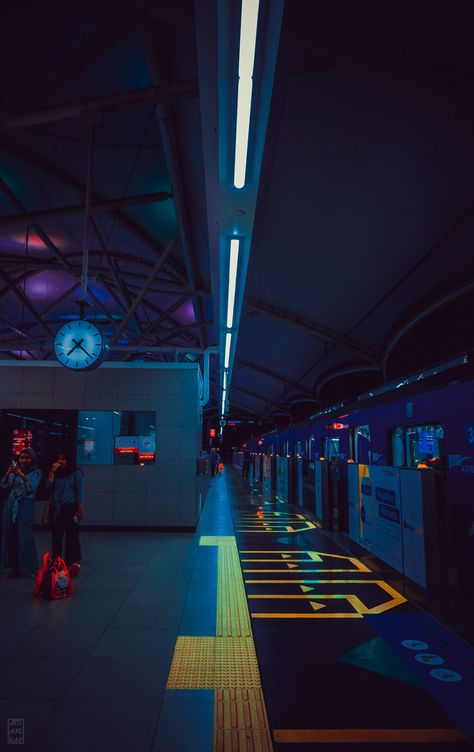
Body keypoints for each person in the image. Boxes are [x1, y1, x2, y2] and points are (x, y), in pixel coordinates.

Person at [1, 448, 42, 578]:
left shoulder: (36, 472)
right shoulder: (15, 471)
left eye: (27, 458)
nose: (24, 460)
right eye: (22, 458)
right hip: (11, 504)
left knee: (26, 536)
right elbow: (4, 485)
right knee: (9, 535)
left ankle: (32, 567)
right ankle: (14, 567)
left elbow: (31, 488)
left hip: (25, 503)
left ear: (32, 459)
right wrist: (8, 474)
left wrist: (22, 475)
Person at [46, 453, 84, 577]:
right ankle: (56, 561)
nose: (61, 461)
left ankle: (73, 562)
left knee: (71, 534)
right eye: (59, 458)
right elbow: (47, 488)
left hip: (70, 507)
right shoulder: (56, 472)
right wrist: (52, 471)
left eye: (63, 459)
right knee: (56, 535)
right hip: (56, 508)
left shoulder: (76, 472)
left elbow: (79, 491)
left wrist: (79, 509)